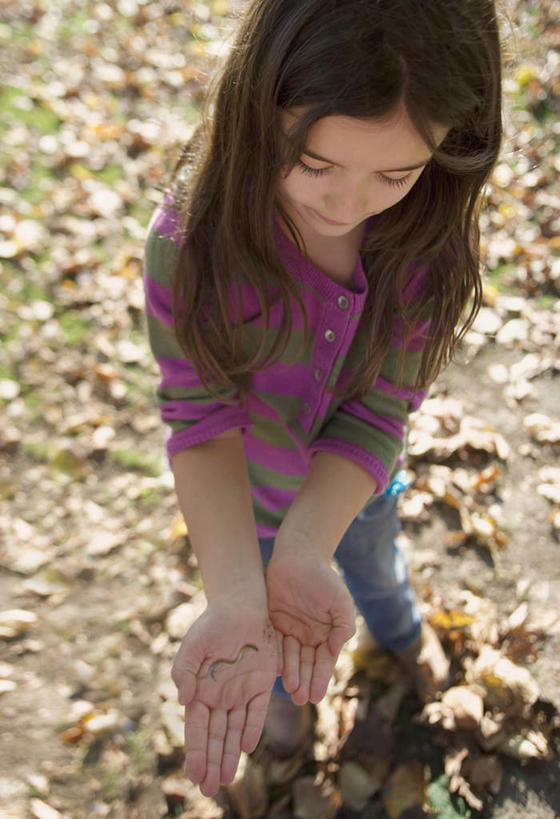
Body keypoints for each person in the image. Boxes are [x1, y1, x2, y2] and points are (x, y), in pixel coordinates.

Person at [142, 0, 503, 798]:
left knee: (374, 566)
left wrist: (311, 541)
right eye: (315, 164)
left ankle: (402, 636)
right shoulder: (190, 244)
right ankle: (284, 719)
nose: (347, 206)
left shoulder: (427, 239)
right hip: (248, 510)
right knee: (272, 633)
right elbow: (200, 420)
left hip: (356, 495)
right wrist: (238, 589)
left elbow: (381, 410)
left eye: (396, 174)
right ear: (258, 106)